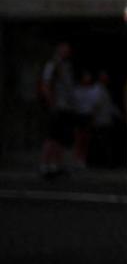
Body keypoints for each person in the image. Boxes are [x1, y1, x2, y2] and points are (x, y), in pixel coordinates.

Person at [39, 43, 75, 178]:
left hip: (65, 107)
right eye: (65, 50)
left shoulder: (66, 66)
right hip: (56, 106)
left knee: (60, 138)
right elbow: (45, 85)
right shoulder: (52, 65)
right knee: (51, 137)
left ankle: (56, 165)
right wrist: (51, 104)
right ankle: (45, 165)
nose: (67, 53)